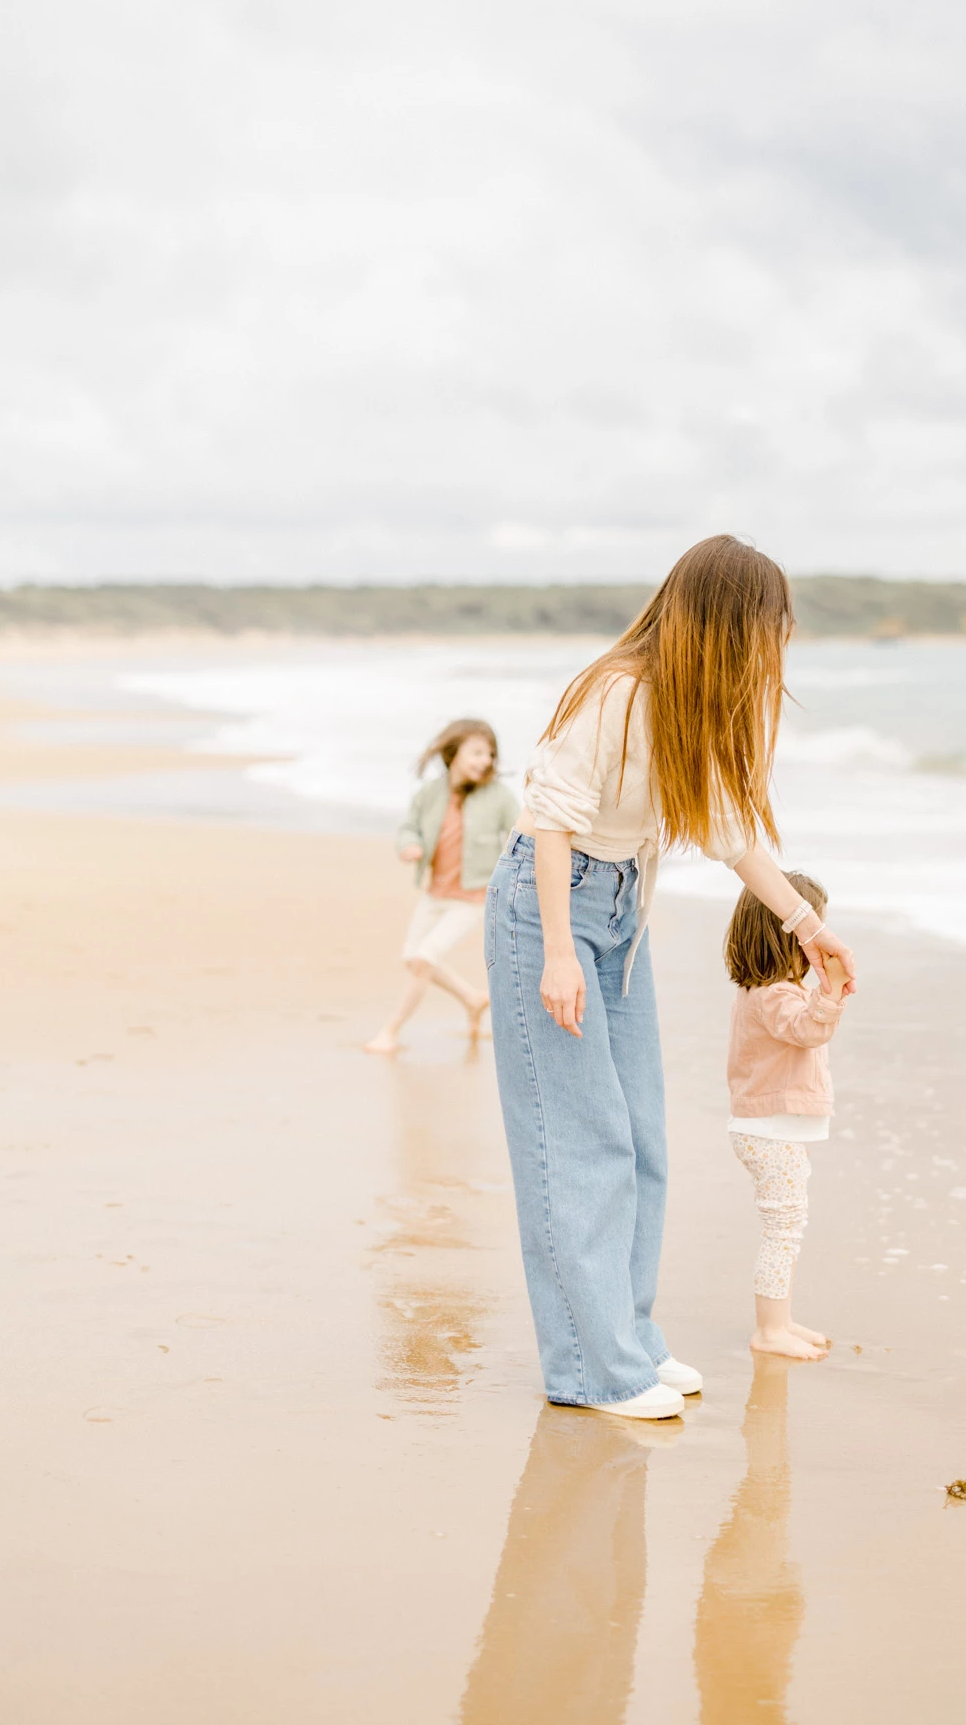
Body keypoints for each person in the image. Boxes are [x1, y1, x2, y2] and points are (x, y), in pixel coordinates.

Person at [485, 534, 856, 1421]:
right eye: (765, 626)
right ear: (724, 622)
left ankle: (630, 1337)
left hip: (621, 909)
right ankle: (593, 1368)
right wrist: (558, 954)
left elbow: (732, 834)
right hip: (551, 906)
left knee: (642, 1138)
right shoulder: (617, 693)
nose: (772, 646)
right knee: (581, 1142)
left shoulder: (692, 705)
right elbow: (549, 819)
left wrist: (808, 930)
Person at [724, 871, 850, 1361]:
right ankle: (770, 1329)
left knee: (787, 1225)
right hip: (769, 1129)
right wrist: (831, 991)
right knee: (783, 1228)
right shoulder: (775, 995)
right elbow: (808, 1031)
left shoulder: (767, 991)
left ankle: (780, 1319)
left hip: (770, 1128)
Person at [365, 718, 519, 1053]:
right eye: (477, 752)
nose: (486, 760)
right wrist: (409, 845)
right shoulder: (430, 793)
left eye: (490, 754)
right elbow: (408, 827)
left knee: (424, 959)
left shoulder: (499, 796)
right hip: (435, 895)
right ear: (453, 753)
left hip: (472, 899)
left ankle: (390, 1032)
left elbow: (521, 835)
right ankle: (472, 999)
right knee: (411, 958)